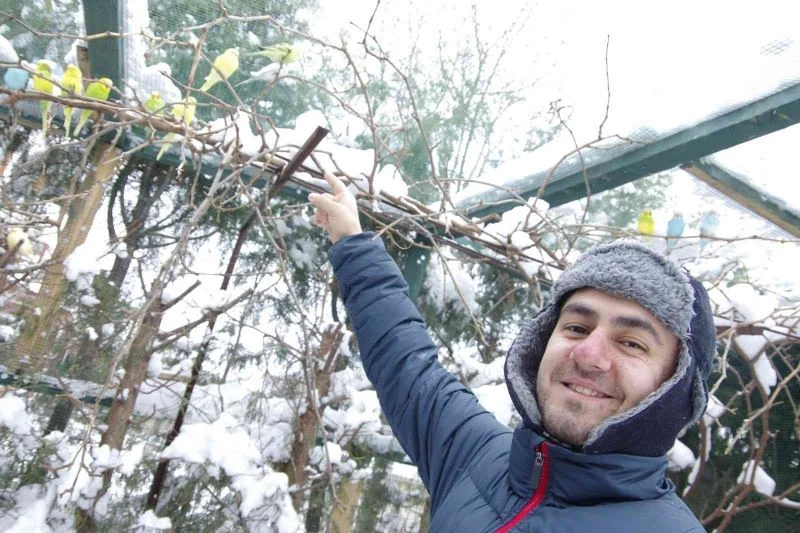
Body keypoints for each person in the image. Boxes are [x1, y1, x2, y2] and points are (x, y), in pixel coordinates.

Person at [309, 173, 716, 532]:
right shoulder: (479, 456)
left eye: (631, 343)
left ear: (676, 386)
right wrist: (353, 243)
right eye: (576, 327)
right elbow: (406, 365)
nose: (589, 355)